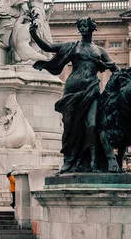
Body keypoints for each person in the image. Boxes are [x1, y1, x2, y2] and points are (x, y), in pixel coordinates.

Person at [30, 17, 119, 173]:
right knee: (70, 126)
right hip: (72, 90)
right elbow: (49, 47)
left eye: (86, 26)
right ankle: (69, 160)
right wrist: (35, 34)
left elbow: (116, 70)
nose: (83, 28)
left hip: (91, 89)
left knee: (92, 124)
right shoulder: (72, 46)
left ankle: (92, 161)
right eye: (81, 26)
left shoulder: (100, 51)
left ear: (92, 28)